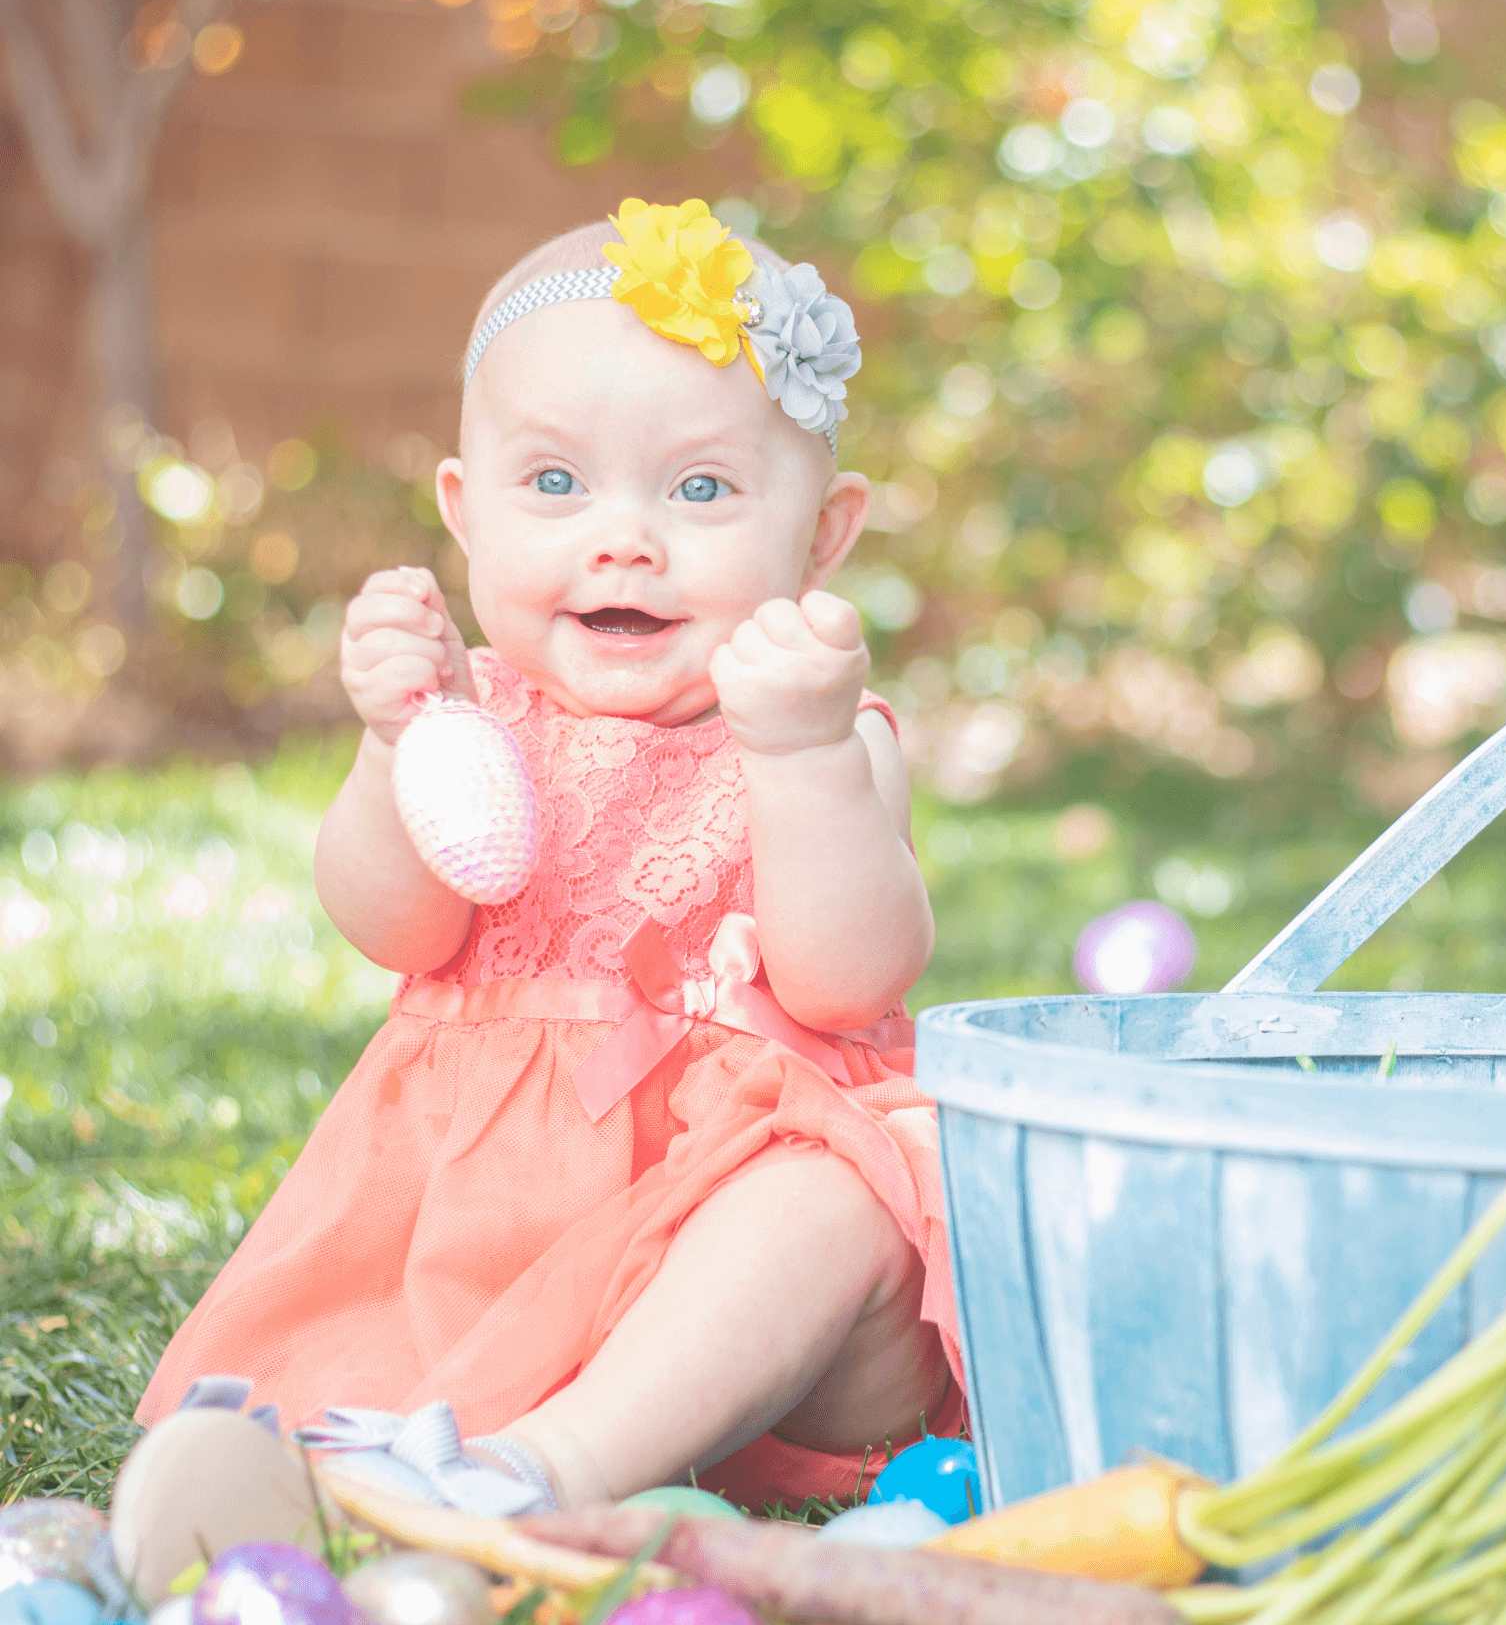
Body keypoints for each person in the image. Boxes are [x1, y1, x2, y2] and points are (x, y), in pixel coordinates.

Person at [123, 200, 959, 1555]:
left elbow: (851, 975)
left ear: (821, 536)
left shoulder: (819, 733)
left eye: (700, 490)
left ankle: (543, 1472)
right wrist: (397, 749)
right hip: (490, 1262)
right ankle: (369, 1475)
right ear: (466, 513)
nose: (623, 538)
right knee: (363, 1371)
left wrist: (799, 758)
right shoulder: (476, 726)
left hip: (766, 1301)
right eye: (556, 485)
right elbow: (390, 921)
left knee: (832, 1194)